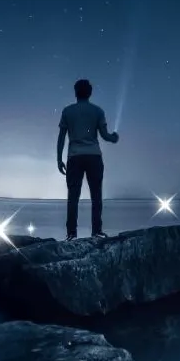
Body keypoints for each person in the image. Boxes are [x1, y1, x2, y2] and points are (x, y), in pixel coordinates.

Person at [57, 78, 119, 241]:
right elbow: (105, 136)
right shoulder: (97, 111)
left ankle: (71, 233)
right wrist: (114, 138)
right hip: (93, 156)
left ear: (76, 92)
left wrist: (58, 159)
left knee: (73, 196)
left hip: (74, 157)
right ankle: (96, 231)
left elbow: (61, 137)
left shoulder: (67, 111)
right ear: (89, 93)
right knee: (96, 195)